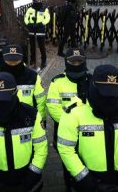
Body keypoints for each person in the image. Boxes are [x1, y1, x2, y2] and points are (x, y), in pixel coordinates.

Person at [57, 65, 118, 191]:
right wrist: (83, 178)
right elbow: (66, 148)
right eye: (104, 93)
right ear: (93, 87)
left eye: (113, 94)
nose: (108, 99)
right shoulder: (74, 113)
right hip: (88, 182)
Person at [0, 72, 48, 191]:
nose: (2, 105)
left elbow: (41, 149)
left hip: (29, 182)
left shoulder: (32, 116)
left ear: (16, 93)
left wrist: (30, 179)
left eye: (6, 100)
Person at [46, 48, 91, 191]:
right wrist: (72, 124)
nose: (76, 64)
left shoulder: (91, 80)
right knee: (68, 164)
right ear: (67, 62)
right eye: (73, 61)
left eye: (80, 61)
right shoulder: (57, 82)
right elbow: (53, 107)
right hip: (64, 131)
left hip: (88, 131)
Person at [0, 44, 47, 119]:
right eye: (10, 61)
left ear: (22, 59)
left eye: (16, 61)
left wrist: (39, 120)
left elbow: (41, 101)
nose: (13, 64)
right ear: (4, 60)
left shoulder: (33, 77)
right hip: (1, 123)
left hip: (27, 121)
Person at [24, 0, 51, 69]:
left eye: (37, 1)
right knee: (32, 47)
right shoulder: (30, 9)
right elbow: (26, 17)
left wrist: (42, 23)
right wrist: (28, 24)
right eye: (34, 1)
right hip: (32, 30)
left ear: (40, 1)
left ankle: (43, 61)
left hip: (40, 30)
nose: (35, 2)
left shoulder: (44, 9)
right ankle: (33, 60)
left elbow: (47, 18)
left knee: (41, 46)